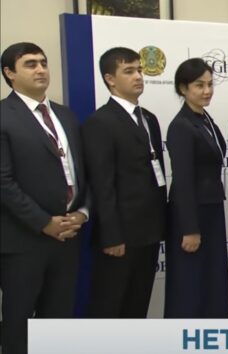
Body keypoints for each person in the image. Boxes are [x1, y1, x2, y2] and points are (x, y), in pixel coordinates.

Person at [0, 42, 89, 354]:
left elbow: (82, 172)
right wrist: (43, 222)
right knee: (19, 325)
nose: (40, 69)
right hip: (23, 242)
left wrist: (82, 212)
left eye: (43, 62)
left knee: (58, 321)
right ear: (10, 73)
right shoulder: (3, 116)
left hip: (68, 236)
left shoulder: (65, 115)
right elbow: (3, 182)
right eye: (29, 64)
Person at [82, 47, 167, 318]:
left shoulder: (149, 118)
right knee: (110, 305)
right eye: (129, 71)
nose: (138, 76)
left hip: (149, 230)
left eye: (139, 70)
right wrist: (111, 235)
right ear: (110, 79)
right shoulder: (100, 122)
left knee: (137, 304)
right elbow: (102, 184)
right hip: (120, 236)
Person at [164, 58, 228, 318]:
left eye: (210, 84)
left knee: (211, 281)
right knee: (189, 284)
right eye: (199, 85)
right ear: (183, 89)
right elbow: (183, 180)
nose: (207, 90)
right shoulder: (181, 125)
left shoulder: (205, 120)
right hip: (191, 214)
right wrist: (190, 229)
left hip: (211, 208)